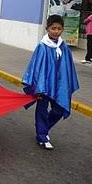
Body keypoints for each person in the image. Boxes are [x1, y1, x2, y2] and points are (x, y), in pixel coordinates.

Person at [22, 14, 79, 150]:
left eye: (59, 29)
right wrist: (36, 87)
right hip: (44, 86)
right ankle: (42, 135)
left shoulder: (64, 47)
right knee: (41, 109)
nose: (56, 31)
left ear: (62, 30)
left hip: (58, 86)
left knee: (59, 109)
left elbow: (67, 68)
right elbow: (35, 67)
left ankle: (42, 129)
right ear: (47, 28)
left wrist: (66, 85)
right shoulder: (42, 47)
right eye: (53, 28)